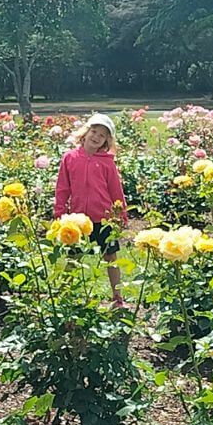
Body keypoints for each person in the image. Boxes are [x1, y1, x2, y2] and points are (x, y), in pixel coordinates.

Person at [54, 113, 128, 306]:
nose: (96, 137)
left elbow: (115, 191)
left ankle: (117, 297)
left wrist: (121, 216)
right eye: (94, 132)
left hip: (104, 220)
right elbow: (62, 188)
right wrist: (60, 213)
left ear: (106, 141)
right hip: (79, 221)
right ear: (85, 132)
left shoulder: (107, 162)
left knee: (110, 257)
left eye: (102, 135)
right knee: (74, 257)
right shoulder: (70, 158)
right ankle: (65, 294)